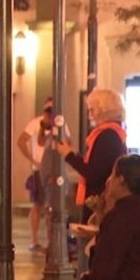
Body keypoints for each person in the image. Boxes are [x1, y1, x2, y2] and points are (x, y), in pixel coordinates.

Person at [56, 88, 127, 222]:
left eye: (92, 110)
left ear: (103, 110)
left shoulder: (108, 135)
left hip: (100, 201)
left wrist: (69, 155)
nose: (89, 115)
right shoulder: (111, 133)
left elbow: (94, 173)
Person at [17, 98, 54, 252]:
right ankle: (34, 239)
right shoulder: (35, 123)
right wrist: (32, 159)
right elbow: (22, 141)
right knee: (38, 204)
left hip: (53, 168)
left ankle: (51, 241)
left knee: (52, 205)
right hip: (40, 169)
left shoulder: (59, 123)